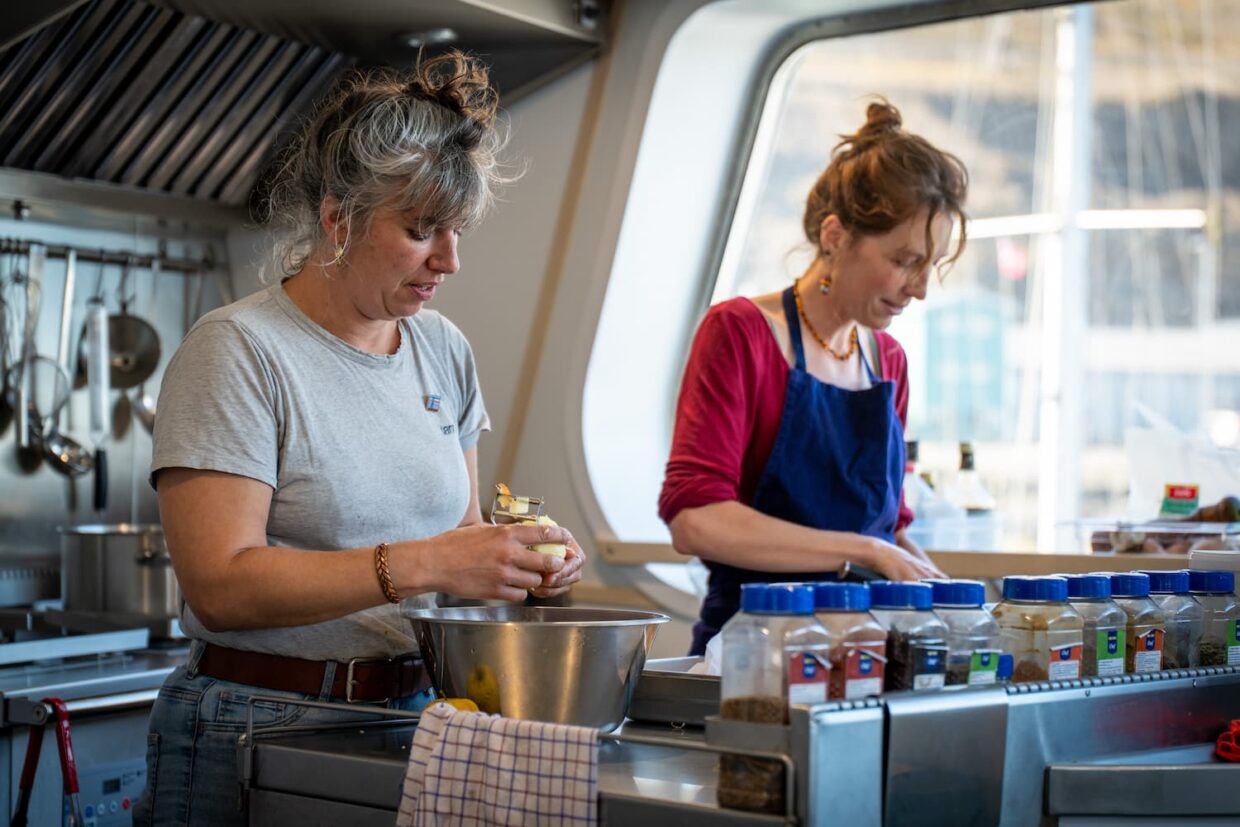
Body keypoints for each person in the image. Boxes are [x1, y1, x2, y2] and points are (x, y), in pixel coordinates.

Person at [134, 51, 584, 826]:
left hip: (414, 714)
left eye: (456, 231)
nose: (449, 260)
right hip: (257, 718)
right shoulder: (238, 350)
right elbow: (221, 583)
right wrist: (432, 561)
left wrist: (516, 558)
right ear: (339, 220)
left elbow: (458, 534)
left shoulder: (441, 345)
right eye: (420, 231)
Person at [659, 101, 967, 655]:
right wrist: (865, 553)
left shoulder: (888, 361)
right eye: (904, 260)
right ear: (835, 236)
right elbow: (696, 520)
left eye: (930, 266)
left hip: (872, 651)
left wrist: (957, 601)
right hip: (756, 650)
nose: (919, 288)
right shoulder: (742, 332)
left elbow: (889, 533)